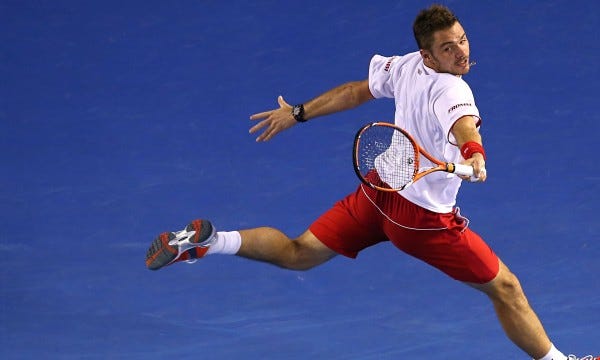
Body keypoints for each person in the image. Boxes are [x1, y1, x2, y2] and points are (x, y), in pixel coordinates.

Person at [145, 5, 596, 360]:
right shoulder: (455, 91)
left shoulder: (404, 67)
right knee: (506, 288)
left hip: (379, 191)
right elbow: (465, 127)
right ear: (427, 54)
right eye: (447, 48)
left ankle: (207, 241)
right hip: (422, 220)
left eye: (462, 40)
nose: (461, 53)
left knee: (299, 253)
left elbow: (356, 91)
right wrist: (474, 154)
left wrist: (297, 112)